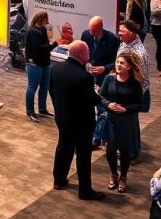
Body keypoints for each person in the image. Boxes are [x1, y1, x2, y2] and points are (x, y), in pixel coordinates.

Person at [49, 40, 103, 200]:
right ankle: (85, 191)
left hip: (62, 118)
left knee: (63, 147)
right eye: (88, 52)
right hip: (81, 123)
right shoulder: (85, 77)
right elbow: (91, 100)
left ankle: (58, 180)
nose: (89, 54)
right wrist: (97, 93)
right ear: (82, 55)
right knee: (83, 155)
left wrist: (59, 109)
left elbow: (51, 91)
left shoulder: (56, 68)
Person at [98, 51, 145, 194]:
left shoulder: (135, 83)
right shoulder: (109, 79)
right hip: (111, 120)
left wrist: (126, 109)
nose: (118, 65)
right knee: (110, 150)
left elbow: (140, 104)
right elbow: (101, 96)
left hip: (127, 121)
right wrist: (108, 104)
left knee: (125, 151)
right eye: (117, 62)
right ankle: (114, 174)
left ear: (129, 66)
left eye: (122, 63)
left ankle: (123, 177)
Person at [24, 11, 60, 122]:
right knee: (32, 87)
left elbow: (44, 46)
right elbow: (39, 48)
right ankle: (30, 112)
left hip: (45, 62)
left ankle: (42, 109)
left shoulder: (42, 29)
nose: (47, 22)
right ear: (41, 19)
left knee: (45, 87)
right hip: (34, 64)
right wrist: (54, 44)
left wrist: (51, 45)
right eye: (46, 19)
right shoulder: (32, 31)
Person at [81, 16, 119, 86]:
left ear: (101, 28)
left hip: (103, 77)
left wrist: (104, 68)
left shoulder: (112, 39)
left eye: (94, 31)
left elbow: (116, 61)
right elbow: (81, 52)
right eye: (90, 30)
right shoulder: (86, 35)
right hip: (87, 73)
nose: (91, 33)